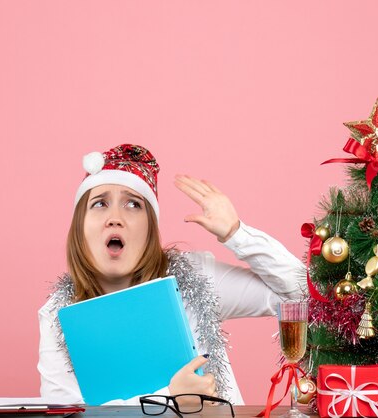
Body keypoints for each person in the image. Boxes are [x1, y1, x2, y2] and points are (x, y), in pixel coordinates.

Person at [38, 144, 306, 405]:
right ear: (79, 229)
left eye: (133, 204)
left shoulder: (195, 278)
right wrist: (170, 398)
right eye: (99, 204)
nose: (115, 218)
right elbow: (63, 412)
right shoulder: (56, 315)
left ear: (150, 228)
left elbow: (302, 293)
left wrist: (236, 233)